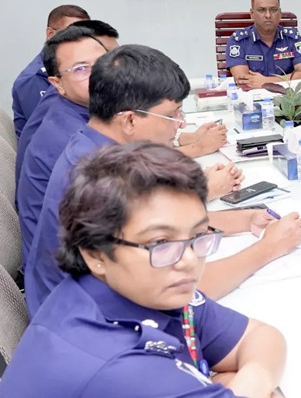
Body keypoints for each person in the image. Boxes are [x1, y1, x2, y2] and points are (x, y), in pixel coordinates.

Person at [24, 44, 301, 316]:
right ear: (130, 120)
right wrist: (267, 249)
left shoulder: (95, 145)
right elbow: (184, 289)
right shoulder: (103, 180)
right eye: (172, 115)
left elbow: (163, 226)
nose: (181, 124)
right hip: (95, 323)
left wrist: (246, 220)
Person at [1, 142, 286, 397]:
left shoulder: (138, 287)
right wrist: (236, 384)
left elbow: (262, 337)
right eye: (160, 243)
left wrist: (247, 382)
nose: (188, 259)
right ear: (95, 252)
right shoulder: (117, 367)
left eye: (198, 236)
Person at [17, 25, 110, 268]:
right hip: (67, 273)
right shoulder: (72, 138)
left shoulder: (78, 110)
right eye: (81, 69)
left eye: (103, 63)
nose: (98, 75)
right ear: (57, 83)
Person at [11, 4, 89, 138]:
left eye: (86, 35)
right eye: (73, 34)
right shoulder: (33, 79)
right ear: (50, 34)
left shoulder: (74, 68)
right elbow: (50, 131)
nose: (81, 42)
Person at [226, 0, 301, 87]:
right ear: (252, 14)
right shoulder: (238, 41)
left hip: (286, 94)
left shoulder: (292, 38)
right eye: (261, 10)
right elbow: (243, 79)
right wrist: (282, 80)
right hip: (252, 94)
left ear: (280, 13)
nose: (268, 15)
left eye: (273, 10)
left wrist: (267, 82)